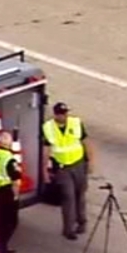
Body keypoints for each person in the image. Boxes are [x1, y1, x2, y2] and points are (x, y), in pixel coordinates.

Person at [41, 102, 91, 241]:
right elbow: (46, 151)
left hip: (79, 164)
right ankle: (68, 229)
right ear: (56, 114)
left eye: (66, 113)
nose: (64, 116)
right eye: (62, 113)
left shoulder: (75, 123)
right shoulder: (48, 128)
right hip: (63, 168)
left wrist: (91, 163)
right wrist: (44, 171)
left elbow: (86, 143)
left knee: (80, 195)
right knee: (68, 196)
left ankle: (82, 222)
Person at [0, 130, 22, 253]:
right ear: (9, 145)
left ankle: (0, 248)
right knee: (10, 223)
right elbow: (16, 180)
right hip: (5, 192)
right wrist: (16, 196)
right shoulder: (9, 159)